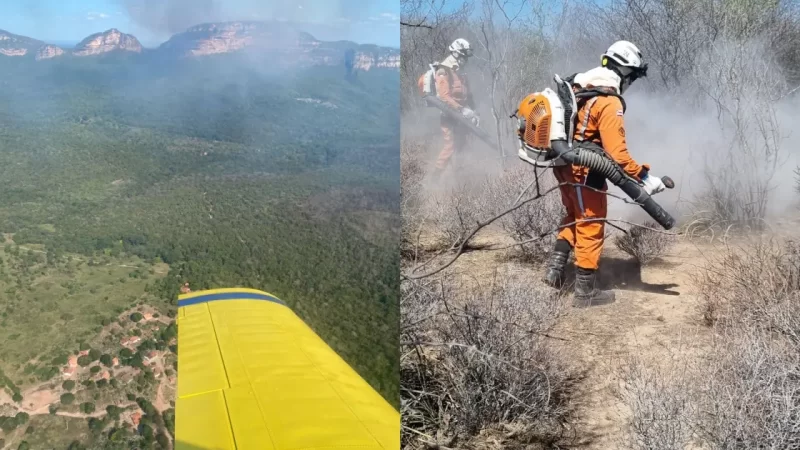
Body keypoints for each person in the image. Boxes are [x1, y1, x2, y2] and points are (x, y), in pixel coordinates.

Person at [542, 40, 667, 306]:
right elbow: (618, 155)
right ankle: (585, 293)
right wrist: (645, 177)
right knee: (591, 223)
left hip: (563, 166)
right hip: (586, 172)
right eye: (632, 77)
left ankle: (555, 271)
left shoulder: (579, 87)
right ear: (625, 72)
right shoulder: (608, 101)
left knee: (573, 216)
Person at [432, 38, 478, 175]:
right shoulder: (443, 70)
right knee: (450, 146)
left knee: (462, 145)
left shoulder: (460, 72)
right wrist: (462, 109)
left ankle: (458, 176)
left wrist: (474, 112)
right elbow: (444, 96)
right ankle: (435, 178)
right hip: (449, 115)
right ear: (456, 53)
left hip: (463, 116)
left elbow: (468, 95)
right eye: (464, 56)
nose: (466, 60)